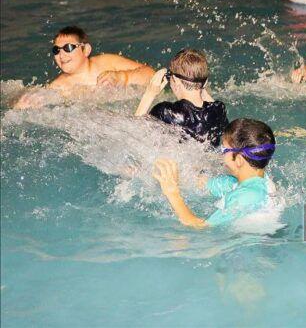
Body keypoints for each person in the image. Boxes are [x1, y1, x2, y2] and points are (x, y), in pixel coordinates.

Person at [152, 119, 275, 228]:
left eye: (224, 150)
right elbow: (199, 183)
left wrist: (172, 193)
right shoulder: (245, 181)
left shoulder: (248, 197)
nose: (220, 154)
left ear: (238, 160)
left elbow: (200, 227)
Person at [14, 25, 154, 108]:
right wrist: (22, 106)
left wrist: (123, 77)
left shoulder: (107, 62)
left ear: (86, 50)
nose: (61, 55)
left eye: (68, 48)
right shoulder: (59, 87)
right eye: (56, 50)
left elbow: (152, 74)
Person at [135, 48, 228, 146]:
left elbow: (135, 135)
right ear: (205, 82)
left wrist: (149, 94)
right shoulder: (219, 110)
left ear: (176, 80)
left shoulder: (165, 112)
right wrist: (201, 85)